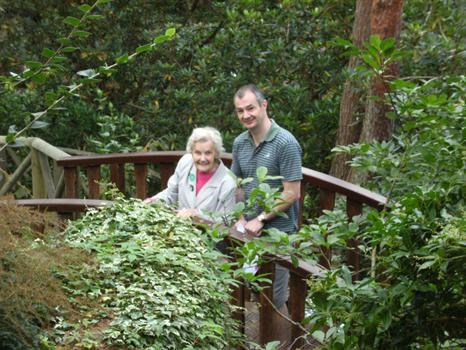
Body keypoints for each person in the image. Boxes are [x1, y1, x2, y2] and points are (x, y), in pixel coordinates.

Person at [231, 84, 302, 343]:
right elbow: (237, 183)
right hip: (246, 231)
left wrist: (261, 219)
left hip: (277, 233)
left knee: (275, 298)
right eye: (240, 111)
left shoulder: (286, 142)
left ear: (264, 105)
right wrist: (240, 216)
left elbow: (291, 192)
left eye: (250, 108)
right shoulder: (240, 142)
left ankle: (282, 346)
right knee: (250, 290)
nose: (245, 115)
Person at [144, 127, 236, 224]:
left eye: (208, 153)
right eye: (198, 153)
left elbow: (227, 222)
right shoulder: (185, 162)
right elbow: (171, 193)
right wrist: (154, 201)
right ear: (191, 152)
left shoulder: (227, 181)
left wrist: (198, 215)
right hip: (180, 229)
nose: (203, 158)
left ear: (216, 153)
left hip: (209, 236)